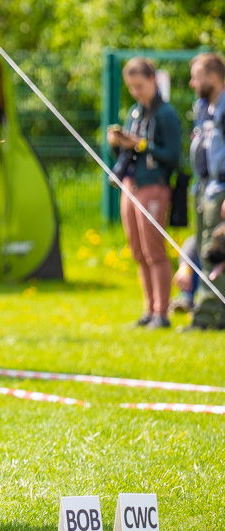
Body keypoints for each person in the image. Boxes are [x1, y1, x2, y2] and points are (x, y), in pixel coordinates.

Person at [107, 57, 181, 329]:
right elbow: (130, 151)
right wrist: (118, 144)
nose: (136, 92)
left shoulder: (166, 114)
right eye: (131, 87)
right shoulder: (136, 112)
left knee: (154, 250)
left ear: (153, 80)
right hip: (131, 184)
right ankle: (148, 309)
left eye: (140, 85)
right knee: (138, 250)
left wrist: (140, 145)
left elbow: (173, 156)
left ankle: (162, 312)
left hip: (154, 186)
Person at [185, 52, 225, 330]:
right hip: (203, 187)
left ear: (213, 76)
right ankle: (208, 311)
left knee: (216, 251)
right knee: (202, 249)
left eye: (197, 76)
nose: (192, 82)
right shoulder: (203, 107)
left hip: (221, 188)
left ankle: (209, 317)